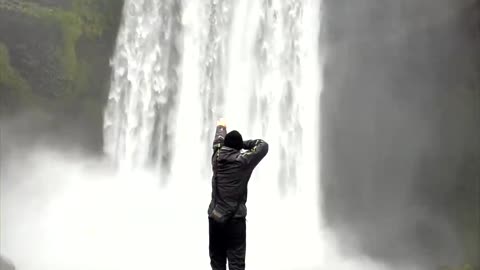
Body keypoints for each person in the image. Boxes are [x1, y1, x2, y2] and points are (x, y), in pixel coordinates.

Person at [208, 118, 269, 270]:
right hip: (235, 221)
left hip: (215, 218)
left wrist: (221, 124)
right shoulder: (244, 161)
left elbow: (219, 138)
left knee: (217, 261)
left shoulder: (216, 155)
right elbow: (263, 146)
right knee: (236, 263)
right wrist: (243, 144)